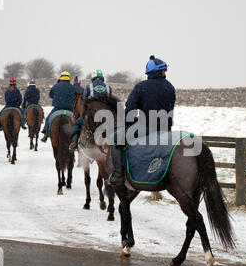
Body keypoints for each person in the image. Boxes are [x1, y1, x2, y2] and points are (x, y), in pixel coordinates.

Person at [108, 55, 176, 186]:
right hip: (166, 128)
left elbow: (130, 109)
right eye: (164, 70)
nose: (165, 72)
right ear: (159, 71)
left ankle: (118, 175)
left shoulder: (141, 87)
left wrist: (129, 123)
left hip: (147, 127)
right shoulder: (170, 87)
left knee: (114, 139)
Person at [69, 70, 113, 152]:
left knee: (77, 124)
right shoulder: (108, 88)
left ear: (93, 78)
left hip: (93, 116)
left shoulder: (90, 87)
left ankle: (74, 144)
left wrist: (85, 113)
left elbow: (84, 101)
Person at [40, 71, 76, 142]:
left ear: (61, 78)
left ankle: (46, 134)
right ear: (69, 78)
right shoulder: (72, 87)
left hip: (57, 108)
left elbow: (51, 95)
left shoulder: (56, 86)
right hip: (69, 109)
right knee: (77, 121)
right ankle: (77, 137)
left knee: (48, 119)